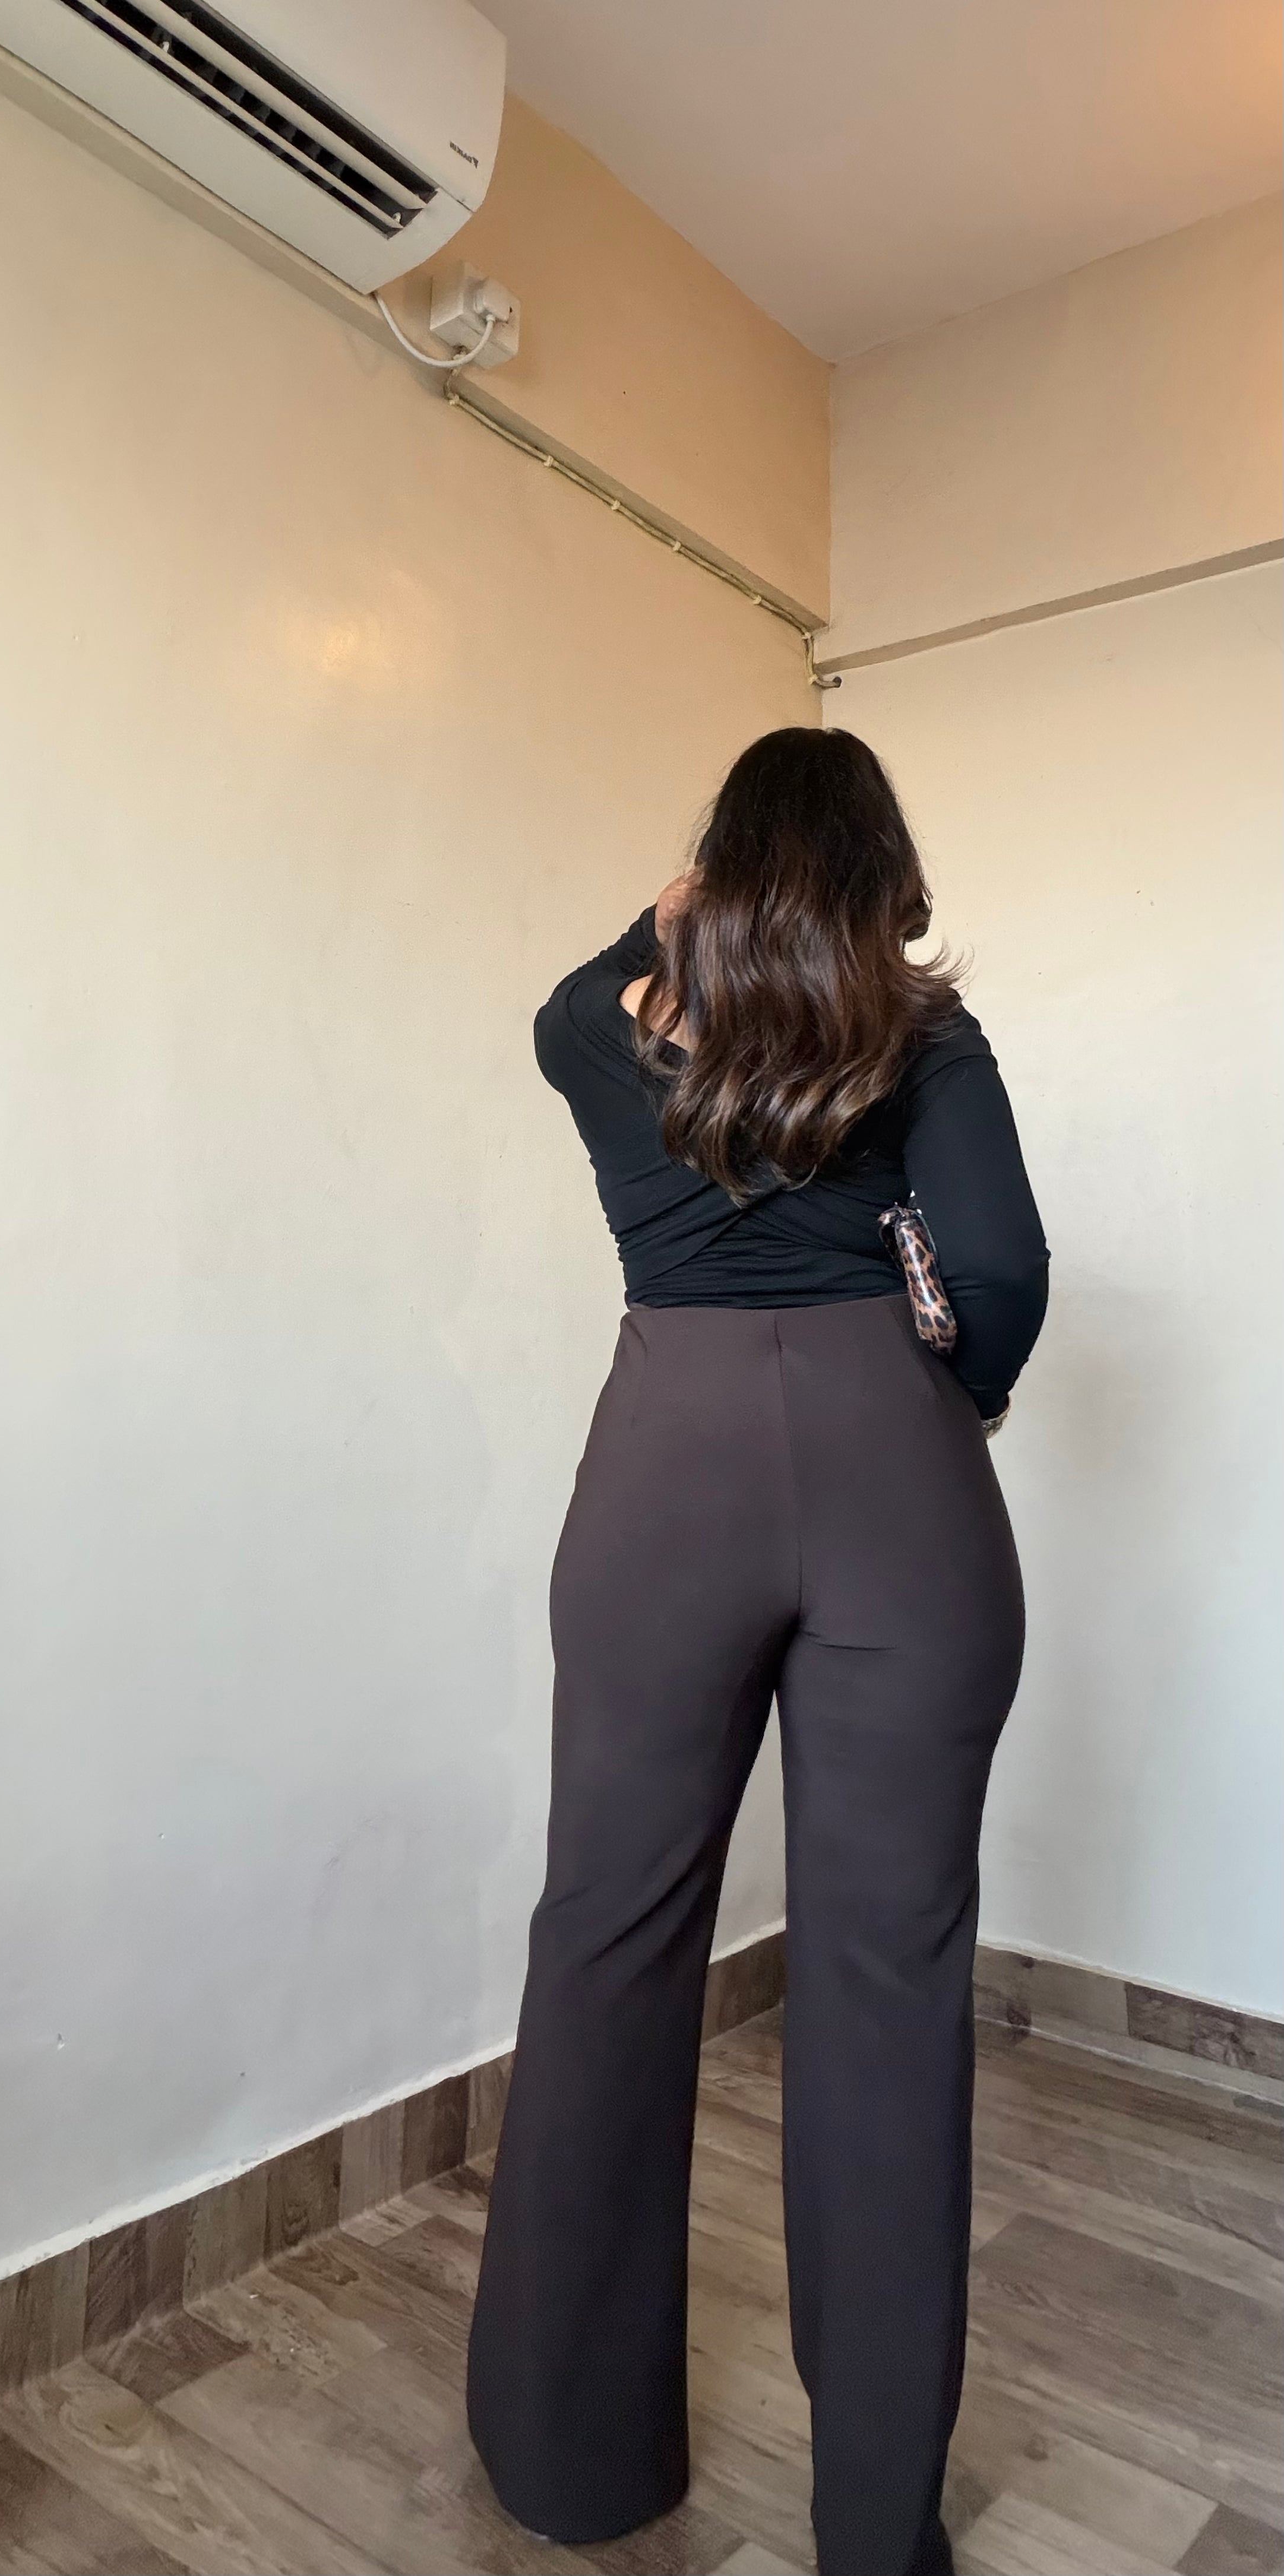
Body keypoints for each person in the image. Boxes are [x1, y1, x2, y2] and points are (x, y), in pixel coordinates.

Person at [466, 727, 1049, 2576]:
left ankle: (567, 2463)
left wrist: (669, 918)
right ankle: (876, 2531)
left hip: (664, 1481)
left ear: (712, 870)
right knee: (885, 1985)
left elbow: (560, 1002)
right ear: (879, 875)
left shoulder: (602, 1033)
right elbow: (1000, 1272)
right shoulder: (921, 1034)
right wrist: (942, 1396)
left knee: (606, 1937)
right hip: (900, 1488)